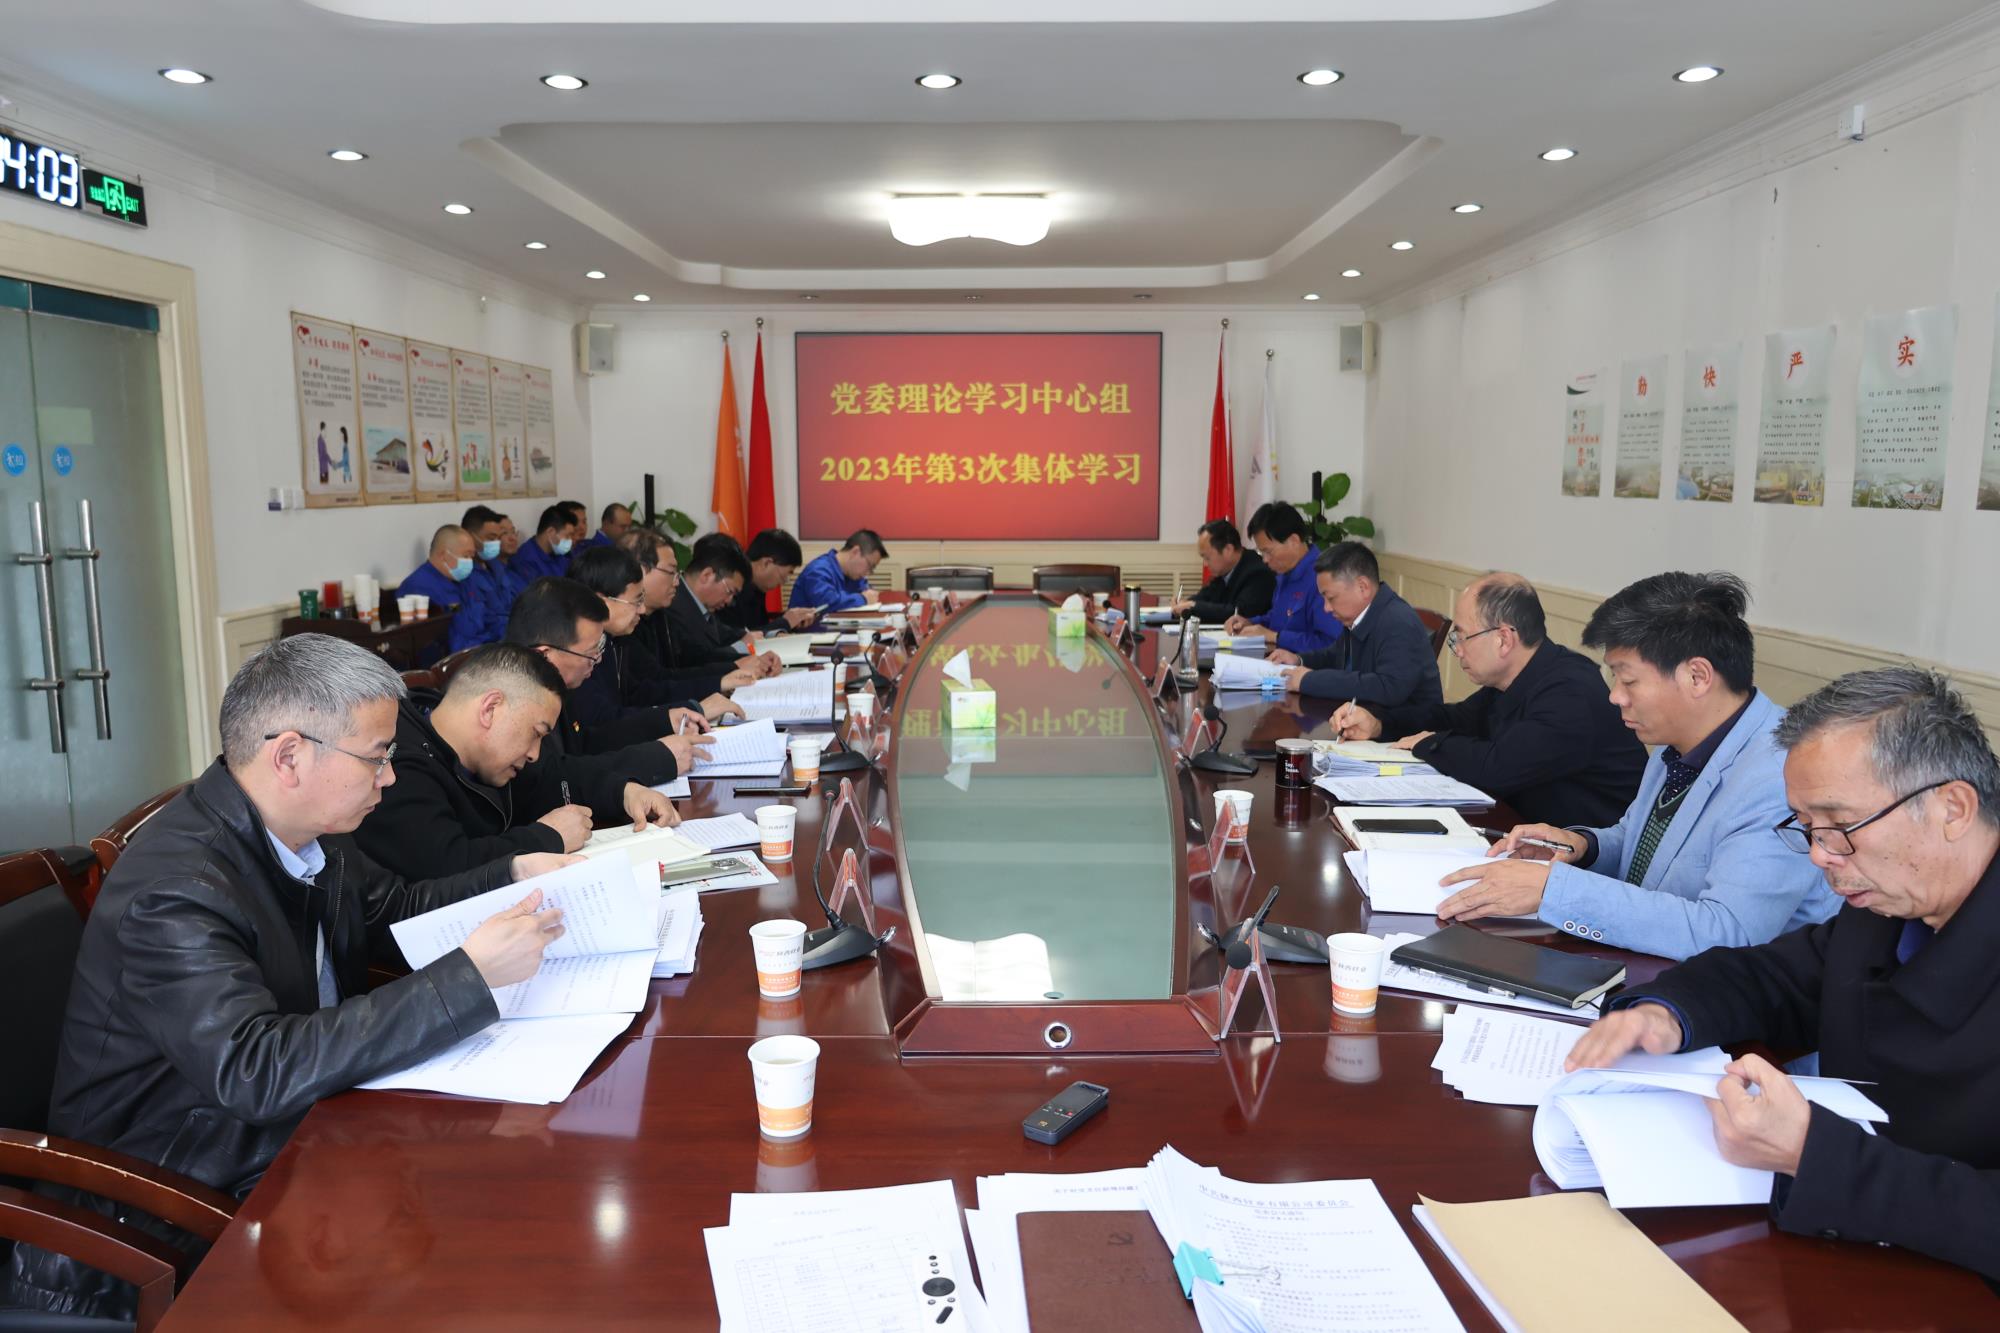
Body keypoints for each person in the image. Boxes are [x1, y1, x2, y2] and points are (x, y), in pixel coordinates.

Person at [4, 635, 573, 1320]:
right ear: (290, 756)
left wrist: (511, 872)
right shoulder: (175, 890)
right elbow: (258, 1069)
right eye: (377, 756)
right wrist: (469, 977)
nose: (390, 778)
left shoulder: (308, 830)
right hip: (157, 1206)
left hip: (283, 1136)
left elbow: (395, 907)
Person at [1565, 666, 2000, 1284]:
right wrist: (1666, 1013)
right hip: (1859, 1255)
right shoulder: (1888, 903)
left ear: (1952, 808)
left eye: (1839, 826)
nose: (1821, 855)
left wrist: (1813, 1154)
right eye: (1806, 827)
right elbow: (1778, 977)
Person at [1435, 571, 1836, 959]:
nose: (1615, 697)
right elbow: (1640, 843)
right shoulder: (1675, 740)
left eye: (1628, 681)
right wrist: (1582, 846)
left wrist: (1555, 890)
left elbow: (1726, 932)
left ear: (1697, 677)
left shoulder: (1780, 776)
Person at [1334, 573, 1646, 827]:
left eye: (1462, 636)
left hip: (1592, 861)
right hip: (1528, 831)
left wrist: (1428, 743)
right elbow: (1455, 718)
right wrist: (1379, 723)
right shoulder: (1514, 678)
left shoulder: (1570, 691)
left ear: (1504, 639)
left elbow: (1499, 766)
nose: (1457, 650)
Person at [354, 642, 680, 880]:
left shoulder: (487, 756)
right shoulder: (395, 763)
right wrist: (547, 837)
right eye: (535, 733)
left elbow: (553, 775)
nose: (535, 752)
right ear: (490, 709)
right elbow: (445, 865)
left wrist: (623, 791)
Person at [502, 576, 710, 775]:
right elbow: (555, 778)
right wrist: (655, 759)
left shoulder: (554, 684)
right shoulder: (512, 706)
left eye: (599, 648)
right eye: (590, 653)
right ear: (545, 655)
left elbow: (585, 744)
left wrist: (663, 721)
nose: (597, 659)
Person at [570, 546, 742, 731]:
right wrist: (690, 711)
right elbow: (601, 723)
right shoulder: (576, 651)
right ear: (601, 601)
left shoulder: (614, 640)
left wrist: (696, 703)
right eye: (636, 601)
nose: (642, 609)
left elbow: (638, 693)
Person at [1275, 541, 1441, 709]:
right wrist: (1298, 660)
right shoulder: (1359, 614)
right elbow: (1335, 655)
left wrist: (1309, 681)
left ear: (1363, 587)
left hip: (1406, 724)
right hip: (1362, 715)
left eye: (1331, 598)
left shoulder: (1398, 622)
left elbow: (1387, 687)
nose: (1326, 608)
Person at [618, 528, 758, 701]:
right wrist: (721, 680)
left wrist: (735, 666)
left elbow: (691, 657)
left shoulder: (659, 614)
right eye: (671, 572)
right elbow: (655, 682)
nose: (677, 582)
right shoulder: (621, 626)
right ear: (640, 570)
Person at [1222, 503, 1340, 656]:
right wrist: (1249, 622)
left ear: (1293, 541)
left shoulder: (1323, 577)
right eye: (1261, 552)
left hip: (1306, 667)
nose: (1265, 560)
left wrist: (1275, 637)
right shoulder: (1286, 572)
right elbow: (1279, 618)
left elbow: (1331, 644)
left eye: (1268, 551)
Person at [669, 538, 781, 675]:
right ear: (707, 576)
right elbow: (695, 661)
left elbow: (728, 634)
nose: (729, 600)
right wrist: (741, 647)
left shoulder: (702, 606)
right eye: (730, 591)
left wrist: (761, 640)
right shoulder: (672, 605)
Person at [394, 524, 498, 652]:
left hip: (485, 649)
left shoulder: (465, 579)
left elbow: (490, 616)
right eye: (466, 556)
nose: (470, 563)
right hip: (461, 657)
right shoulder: (418, 587)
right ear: (443, 555)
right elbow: (450, 641)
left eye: (472, 557)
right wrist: (487, 645)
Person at [720, 528, 819, 637]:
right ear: (766, 563)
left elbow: (760, 627)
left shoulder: (757, 587)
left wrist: (793, 621)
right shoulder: (730, 588)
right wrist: (785, 622)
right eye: (784, 576)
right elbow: (740, 637)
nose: (783, 582)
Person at [1171, 518, 1274, 622]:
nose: (1205, 564)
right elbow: (1206, 596)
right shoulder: (1224, 572)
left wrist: (1193, 606)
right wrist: (1184, 604)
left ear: (1228, 550)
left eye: (1207, 558)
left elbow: (1240, 613)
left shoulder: (1258, 573)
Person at [789, 529, 887, 614]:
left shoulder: (853, 575)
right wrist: (863, 599)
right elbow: (826, 604)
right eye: (869, 565)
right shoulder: (818, 571)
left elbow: (866, 592)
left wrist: (869, 595)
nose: (868, 573)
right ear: (855, 552)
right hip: (811, 630)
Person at [510, 504, 577, 582]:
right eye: (567, 536)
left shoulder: (562, 554)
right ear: (551, 532)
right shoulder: (525, 561)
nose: (571, 540)